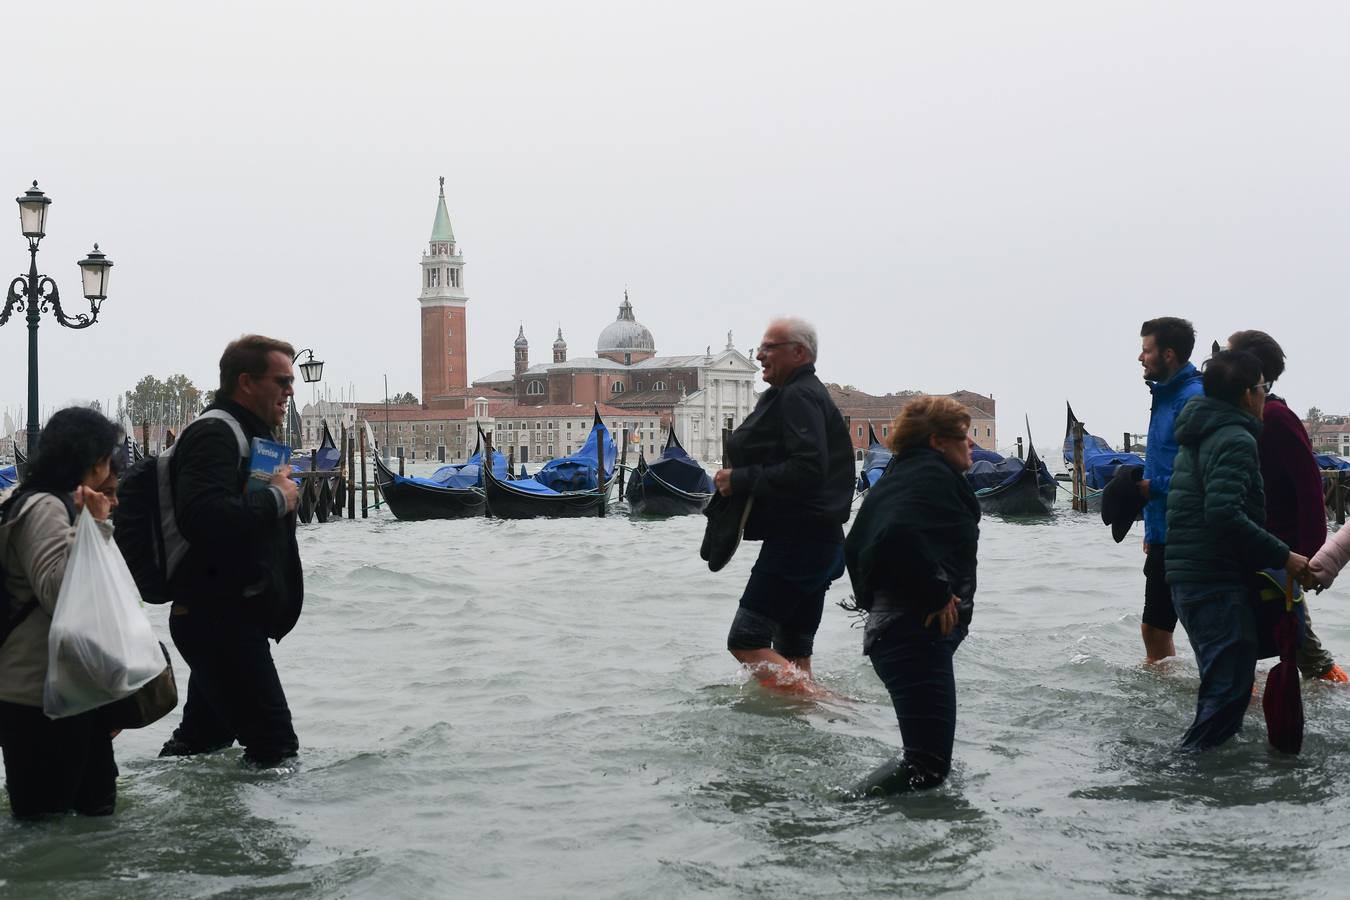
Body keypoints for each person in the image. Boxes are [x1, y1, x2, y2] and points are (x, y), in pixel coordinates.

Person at [159, 334, 303, 768]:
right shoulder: (215, 434)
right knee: (275, 747)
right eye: (281, 381)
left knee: (203, 740)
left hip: (225, 616)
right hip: (217, 618)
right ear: (246, 382)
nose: (290, 391)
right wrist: (277, 498)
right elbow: (203, 517)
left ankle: (178, 817)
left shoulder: (244, 434)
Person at [1165, 350, 1309, 751]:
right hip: (1211, 579)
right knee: (1227, 695)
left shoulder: (1202, 431)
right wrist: (1285, 556)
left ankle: (1200, 773)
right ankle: (1180, 775)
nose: (1267, 395)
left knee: (1223, 687)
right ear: (1248, 394)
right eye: (1264, 387)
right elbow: (1224, 515)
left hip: (1191, 577)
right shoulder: (1235, 438)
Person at [843, 396, 980, 796]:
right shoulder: (930, 476)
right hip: (912, 634)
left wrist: (878, 601)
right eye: (963, 436)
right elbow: (898, 536)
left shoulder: (901, 475)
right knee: (927, 767)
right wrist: (936, 594)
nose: (971, 443)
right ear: (937, 441)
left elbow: (855, 546)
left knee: (925, 763)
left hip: (897, 631)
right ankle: (835, 816)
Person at [712, 317, 853, 692]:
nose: (759, 355)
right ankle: (806, 723)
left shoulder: (797, 396)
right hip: (821, 544)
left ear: (799, 352)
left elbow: (808, 468)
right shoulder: (804, 393)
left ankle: (829, 706)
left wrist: (737, 478)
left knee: (745, 640)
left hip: (799, 543)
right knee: (793, 653)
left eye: (769, 347)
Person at [0, 407, 121, 817]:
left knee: (92, 813)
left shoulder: (47, 503)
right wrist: (96, 525)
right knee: (48, 821)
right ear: (93, 460)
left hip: (69, 689)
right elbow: (59, 592)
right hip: (39, 695)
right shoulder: (44, 508)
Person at [1227, 330, 1345, 682]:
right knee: (1257, 633)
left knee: (1297, 639)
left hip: (1279, 551)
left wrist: (1308, 555)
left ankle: (1330, 686)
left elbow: (1309, 488)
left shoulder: (1276, 417)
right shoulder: (1244, 419)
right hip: (1256, 549)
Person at [1136, 317, 1205, 663]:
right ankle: (1157, 710)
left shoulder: (1191, 398)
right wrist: (1152, 528)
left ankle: (1239, 703)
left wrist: (1150, 489)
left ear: (1168, 355)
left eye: (1146, 350)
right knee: (1154, 628)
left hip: (1190, 533)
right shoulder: (1164, 395)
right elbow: (1164, 460)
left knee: (1206, 631)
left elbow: (1200, 473)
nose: (1140, 357)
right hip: (1164, 530)